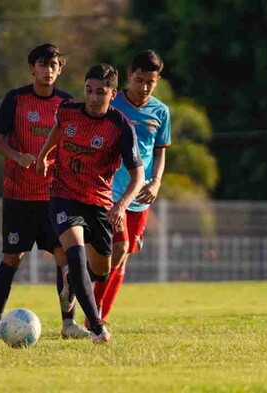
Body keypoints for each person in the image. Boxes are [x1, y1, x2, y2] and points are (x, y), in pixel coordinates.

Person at [0, 44, 90, 339]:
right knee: (11, 259)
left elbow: (75, 145)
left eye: (53, 65)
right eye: (42, 65)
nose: (48, 70)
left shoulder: (68, 104)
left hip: (55, 198)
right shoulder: (15, 100)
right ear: (32, 68)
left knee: (63, 258)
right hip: (19, 196)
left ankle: (68, 324)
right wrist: (18, 156)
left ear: (60, 69)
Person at [36, 63, 144, 344]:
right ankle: (96, 327)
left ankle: (73, 281)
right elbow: (58, 130)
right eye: (89, 90)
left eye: (101, 92)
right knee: (74, 256)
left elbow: (138, 175)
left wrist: (120, 206)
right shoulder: (69, 111)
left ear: (112, 93)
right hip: (64, 195)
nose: (94, 97)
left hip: (98, 202)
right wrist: (43, 155)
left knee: (101, 270)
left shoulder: (120, 127)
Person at [93, 50, 172, 325]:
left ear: (158, 80)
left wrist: (157, 181)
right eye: (139, 80)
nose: (144, 87)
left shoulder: (160, 111)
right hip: (110, 192)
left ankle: (99, 314)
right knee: (119, 248)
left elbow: (160, 151)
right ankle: (93, 315)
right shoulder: (113, 105)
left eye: (151, 81)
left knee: (122, 259)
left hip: (141, 198)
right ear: (129, 76)